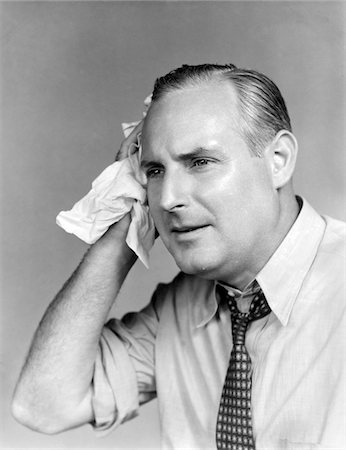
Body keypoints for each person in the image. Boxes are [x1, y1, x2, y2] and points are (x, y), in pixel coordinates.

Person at [12, 64, 346, 450]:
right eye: (154, 171)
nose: (168, 198)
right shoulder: (176, 310)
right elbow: (42, 406)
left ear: (279, 160)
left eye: (200, 162)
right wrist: (123, 230)